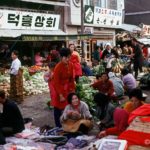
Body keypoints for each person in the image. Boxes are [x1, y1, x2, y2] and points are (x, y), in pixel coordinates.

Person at [52, 48, 76, 127]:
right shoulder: (58, 67)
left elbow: (71, 79)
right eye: (65, 57)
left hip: (68, 89)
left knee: (67, 107)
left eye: (69, 57)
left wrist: (73, 89)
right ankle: (58, 126)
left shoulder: (71, 65)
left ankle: (67, 124)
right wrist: (60, 95)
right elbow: (56, 83)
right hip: (58, 89)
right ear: (61, 57)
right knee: (58, 108)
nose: (67, 59)